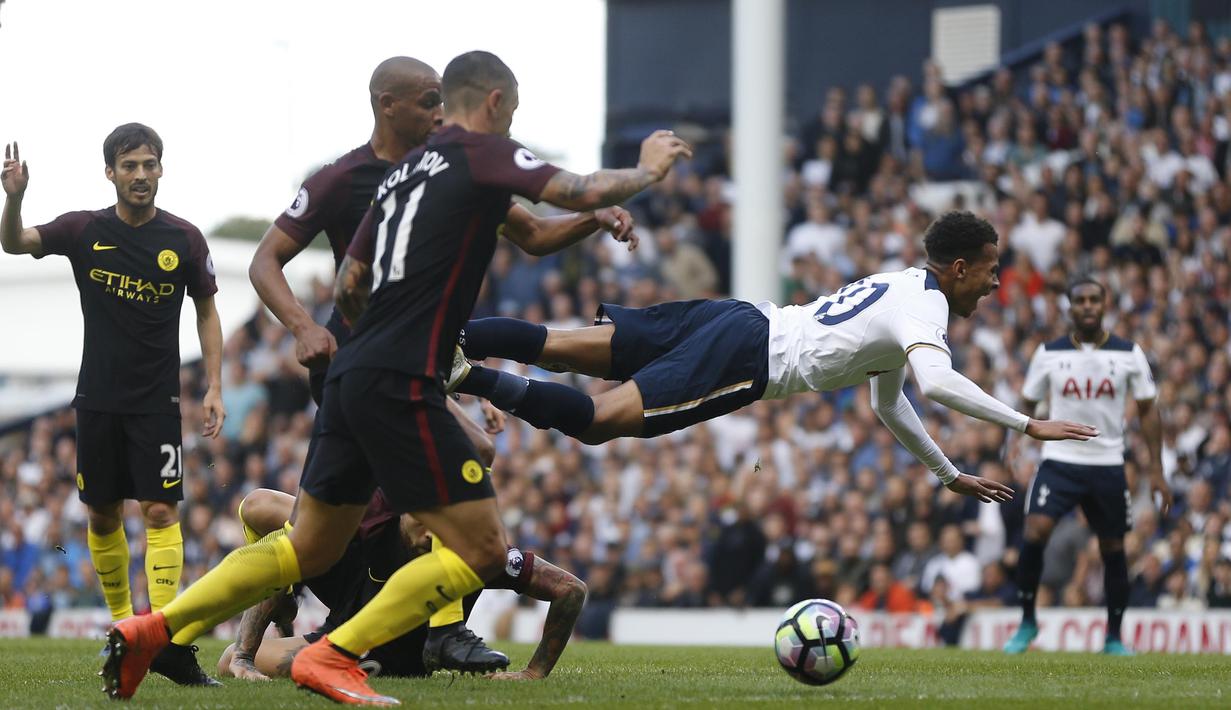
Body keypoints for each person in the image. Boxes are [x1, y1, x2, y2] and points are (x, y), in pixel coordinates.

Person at [100, 49, 690, 705]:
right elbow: (578, 188)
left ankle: (154, 628)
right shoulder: (476, 152)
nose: (445, 113)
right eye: (510, 110)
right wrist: (648, 168)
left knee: (308, 546)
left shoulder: (402, 175)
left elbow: (351, 282)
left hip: (352, 373)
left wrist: (364, 337)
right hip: (401, 380)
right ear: (494, 103)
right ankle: (334, 652)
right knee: (484, 549)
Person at [248, 55, 590, 674]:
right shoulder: (340, 179)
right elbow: (265, 261)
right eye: (429, 101)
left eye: (442, 100)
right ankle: (435, 634)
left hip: (419, 364)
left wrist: (595, 217)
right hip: (359, 365)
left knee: (313, 528)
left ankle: (240, 640)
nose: (440, 112)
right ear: (387, 105)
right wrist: (302, 327)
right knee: (444, 482)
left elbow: (534, 235)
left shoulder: (452, 167)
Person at [455, 211, 1095, 503]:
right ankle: (468, 373)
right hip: (747, 357)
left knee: (562, 342)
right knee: (599, 422)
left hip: (736, 315)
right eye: (988, 272)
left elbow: (889, 400)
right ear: (959, 268)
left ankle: (449, 338)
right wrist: (1026, 423)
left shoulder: (905, 287)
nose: (993, 283)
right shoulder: (924, 311)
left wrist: (947, 473)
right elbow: (936, 383)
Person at [1, 127, 224, 685]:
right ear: (111, 173)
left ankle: (163, 636)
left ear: (161, 170)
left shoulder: (186, 238)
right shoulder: (83, 229)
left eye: (150, 164)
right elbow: (13, 242)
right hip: (97, 399)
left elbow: (207, 311)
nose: (141, 174)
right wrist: (14, 198)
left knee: (160, 512)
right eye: (130, 165)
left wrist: (214, 385)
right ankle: (126, 631)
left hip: (158, 403)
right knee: (102, 515)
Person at [215, 488, 585, 682]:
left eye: (441, 525)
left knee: (226, 660)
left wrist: (534, 672)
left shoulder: (478, 551)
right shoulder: (373, 518)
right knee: (259, 505)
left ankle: (300, 634)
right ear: (400, 512)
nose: (430, 534)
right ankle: (285, 601)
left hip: (381, 649)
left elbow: (570, 589)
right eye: (423, 521)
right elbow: (284, 540)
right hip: (353, 581)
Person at [1003, 277, 1172, 656]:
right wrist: (1014, 441)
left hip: (1107, 462)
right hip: (1059, 460)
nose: (1089, 306)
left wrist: (1157, 471)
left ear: (1105, 304)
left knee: (1113, 547)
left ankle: (1113, 636)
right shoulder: (1048, 352)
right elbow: (1027, 403)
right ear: (1070, 307)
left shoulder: (1129, 353)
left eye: (1095, 299)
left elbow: (1148, 410)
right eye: (1081, 300)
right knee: (1035, 531)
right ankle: (1028, 621)